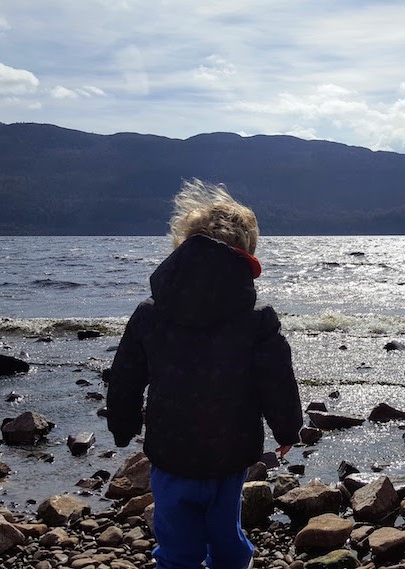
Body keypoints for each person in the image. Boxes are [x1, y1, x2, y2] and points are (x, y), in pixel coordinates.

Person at [106, 178, 303, 569]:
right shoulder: (256, 321)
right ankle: (233, 560)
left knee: (176, 540)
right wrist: (286, 430)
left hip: (170, 452)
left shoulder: (150, 314)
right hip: (229, 453)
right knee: (225, 529)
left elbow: (125, 376)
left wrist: (122, 424)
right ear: (245, 259)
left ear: (181, 249)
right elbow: (277, 380)